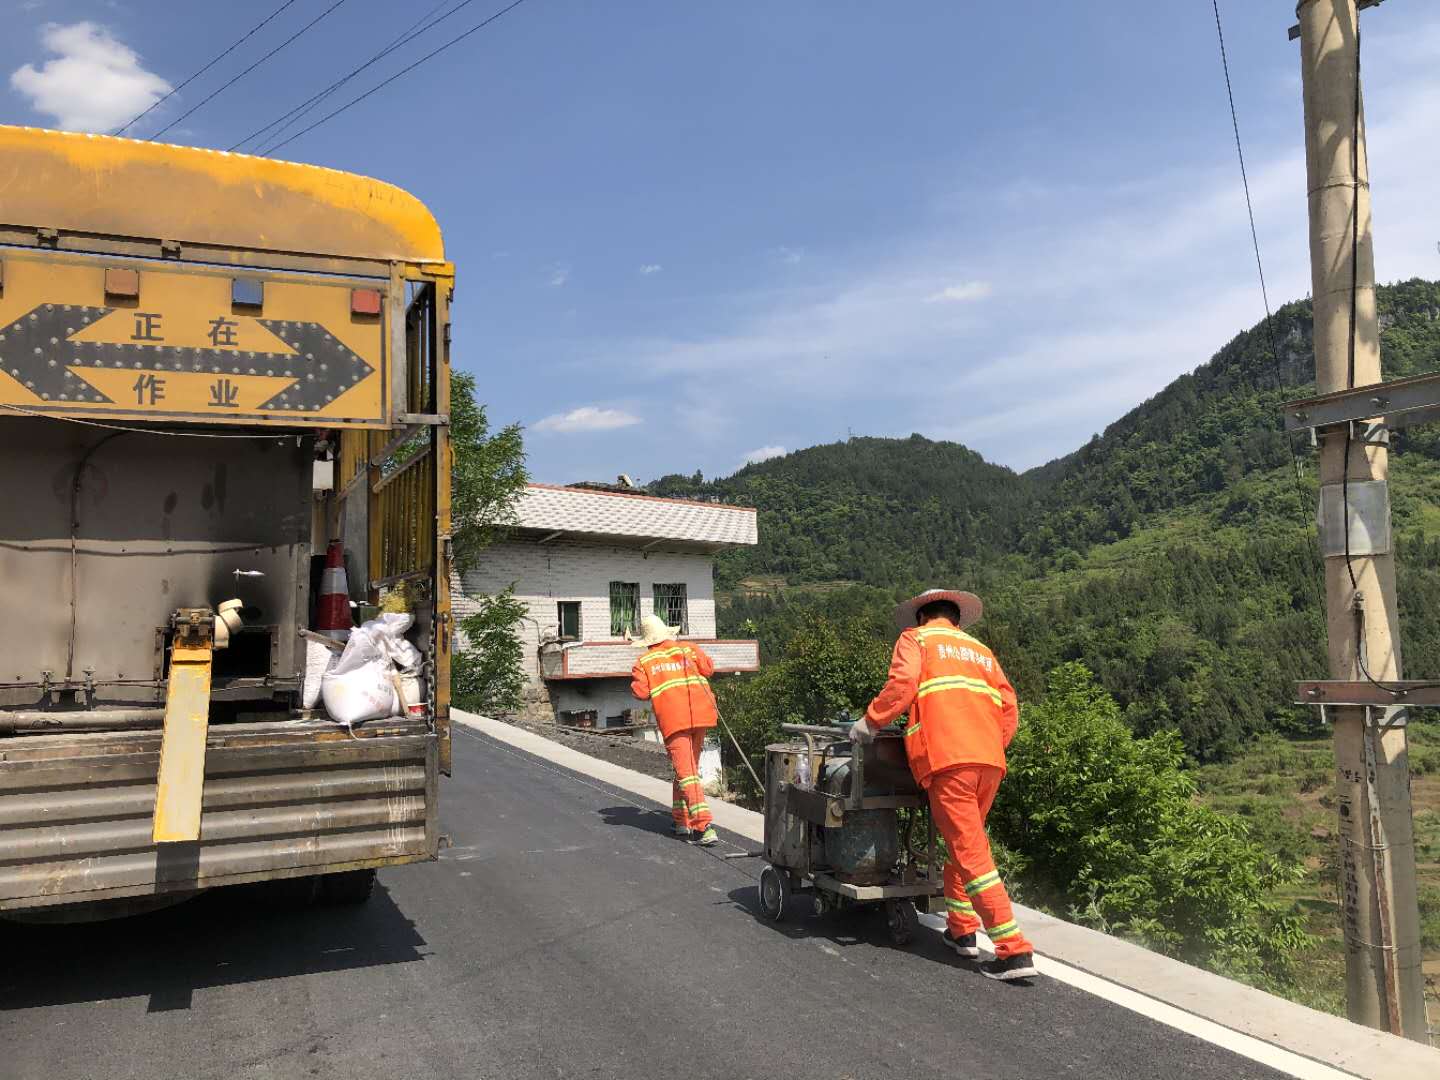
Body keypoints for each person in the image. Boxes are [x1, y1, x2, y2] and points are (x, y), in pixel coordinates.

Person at [851, 588, 1038, 981]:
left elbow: (901, 687)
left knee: (970, 852)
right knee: (960, 845)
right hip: (988, 760)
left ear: (922, 617)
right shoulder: (980, 651)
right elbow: (1009, 707)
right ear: (955, 619)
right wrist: (989, 745)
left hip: (947, 758)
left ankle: (1013, 950)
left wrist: (869, 723)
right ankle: (961, 930)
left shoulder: (916, 639)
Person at [630, 613, 720, 846]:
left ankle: (703, 826)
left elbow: (640, 693)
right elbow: (709, 669)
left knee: (686, 772)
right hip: (701, 714)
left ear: (647, 640)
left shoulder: (644, 662)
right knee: (688, 769)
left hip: (674, 720)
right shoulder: (688, 649)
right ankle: (681, 820)